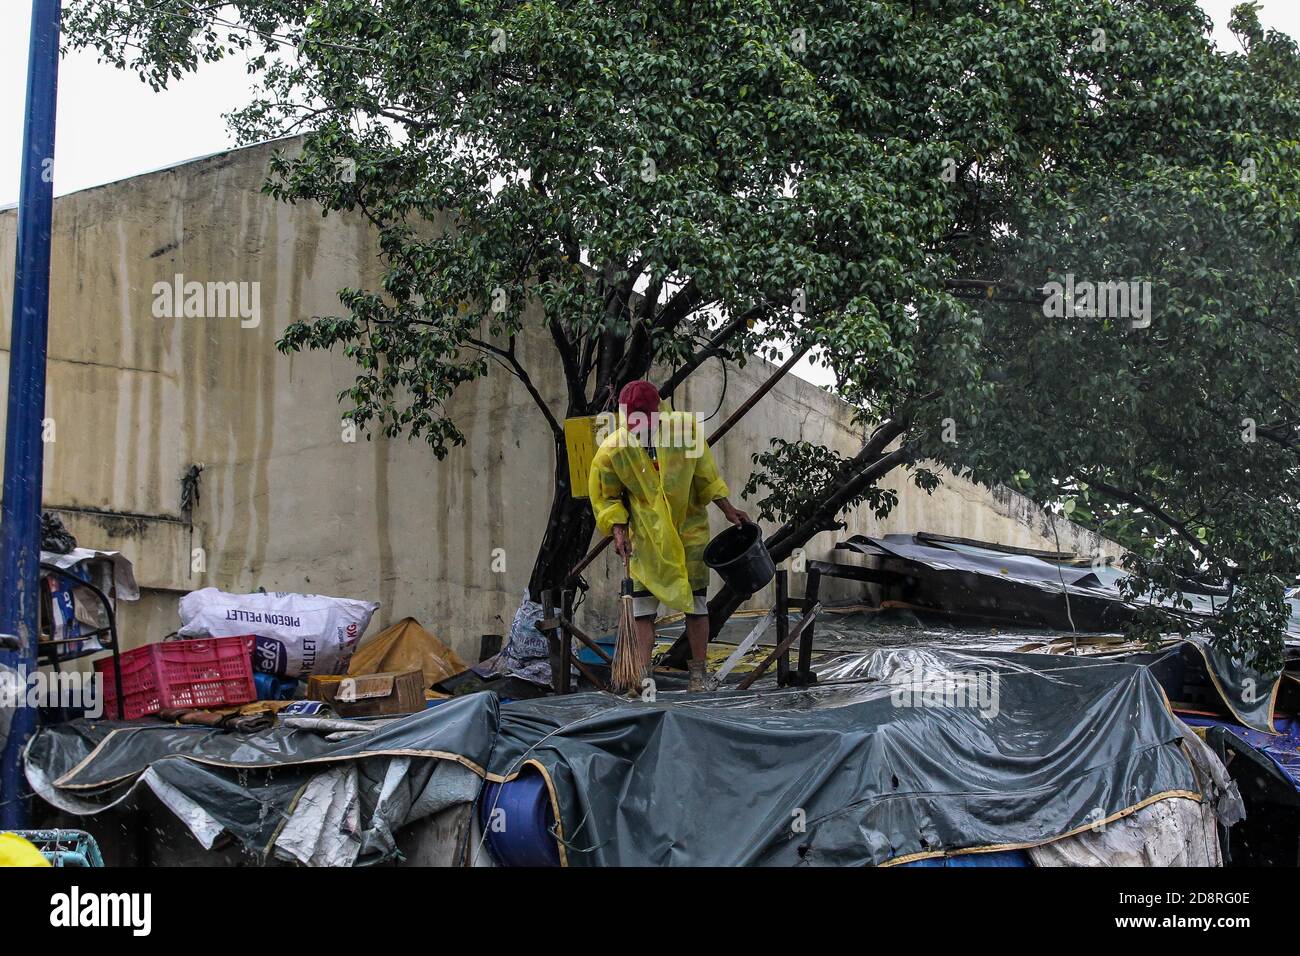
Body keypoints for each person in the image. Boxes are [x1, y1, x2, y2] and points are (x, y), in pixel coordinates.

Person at [588, 379, 749, 692]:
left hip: (688, 531)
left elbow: (705, 474)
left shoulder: (684, 432)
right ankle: (643, 677)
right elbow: (606, 494)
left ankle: (698, 676)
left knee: (696, 605)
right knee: (642, 610)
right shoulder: (614, 448)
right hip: (646, 538)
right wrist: (617, 528)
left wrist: (727, 508)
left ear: (658, 412)